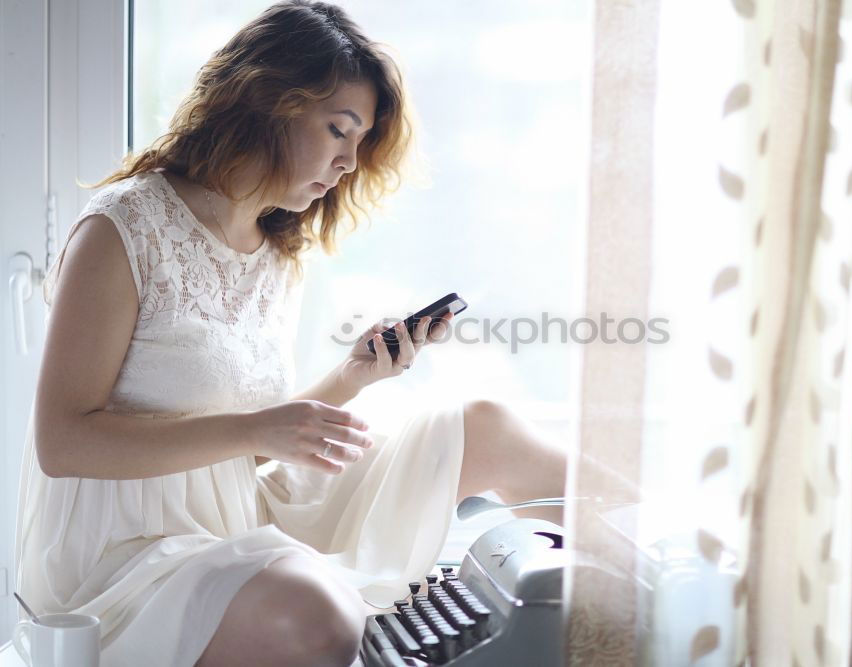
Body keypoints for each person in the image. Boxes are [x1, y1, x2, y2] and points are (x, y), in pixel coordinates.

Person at [13, 2, 570, 666]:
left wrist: (351, 379)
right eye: (339, 130)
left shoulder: (280, 254)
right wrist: (256, 429)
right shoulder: (124, 227)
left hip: (237, 512)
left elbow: (249, 442)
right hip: (129, 552)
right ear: (266, 101)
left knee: (487, 426)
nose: (347, 162)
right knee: (313, 611)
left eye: (359, 143)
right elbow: (62, 441)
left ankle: (688, 588)